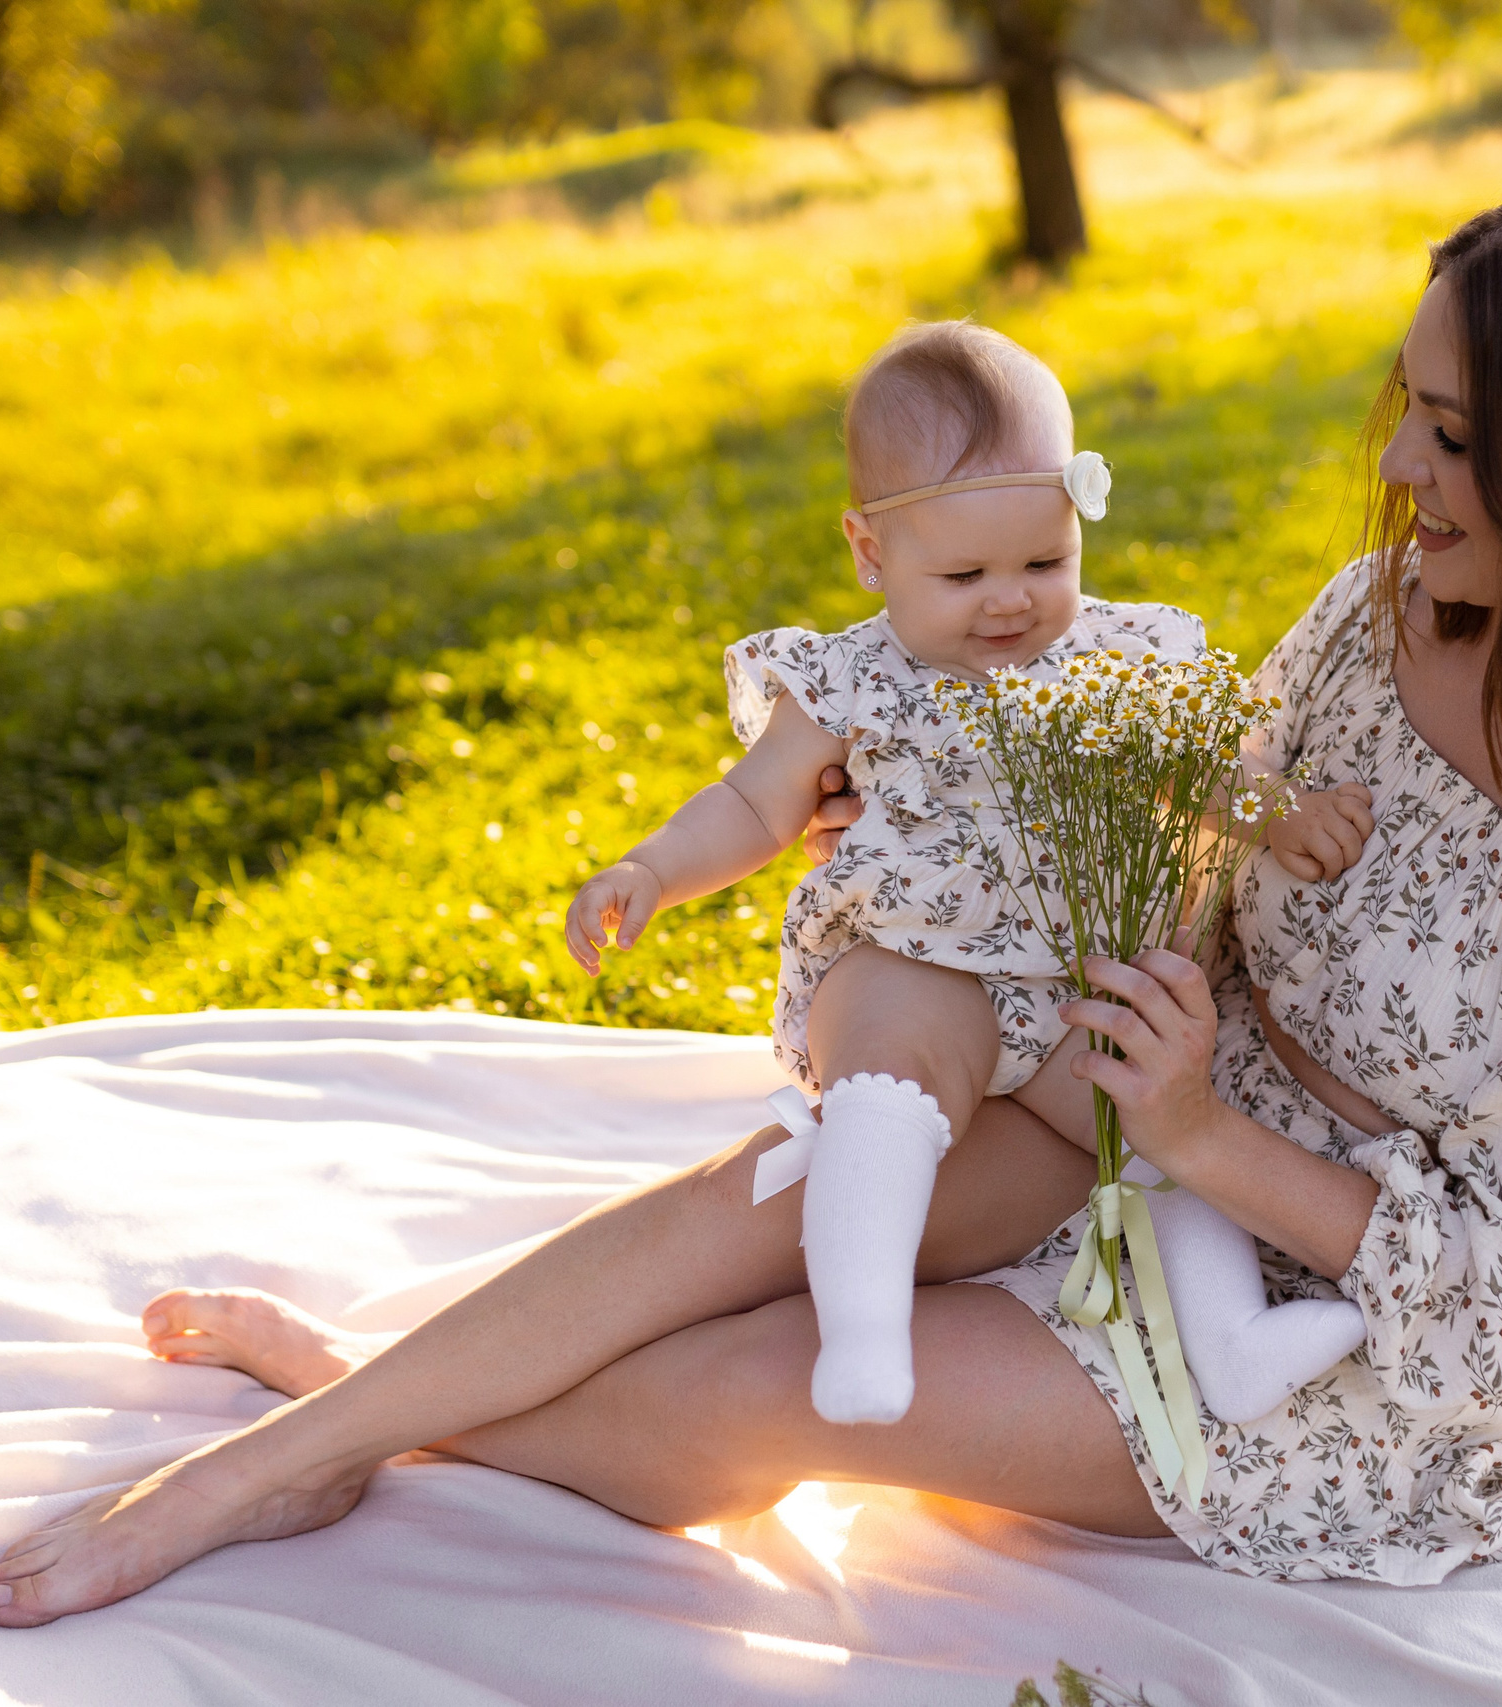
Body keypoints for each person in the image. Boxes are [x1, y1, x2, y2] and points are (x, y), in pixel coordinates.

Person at [0, 170, 1502, 1623]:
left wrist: (1201, 1133)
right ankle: (281, 1454)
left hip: (1349, 1333)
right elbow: (1210, 801)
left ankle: (350, 1404)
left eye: (1458, 437)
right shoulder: (1401, 602)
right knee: (753, 1206)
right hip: (1145, 1089)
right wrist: (951, 799)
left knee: (761, 1392)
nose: (1403, 469)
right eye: (1411, 409)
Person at [561, 318, 1368, 1429]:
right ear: (869, 551)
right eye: (964, 573)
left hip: (1070, 980)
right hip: (915, 960)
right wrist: (651, 869)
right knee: (887, 1082)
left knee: (1156, 1113)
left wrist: (1281, 812)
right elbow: (753, 803)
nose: (1009, 600)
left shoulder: (1117, 658)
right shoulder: (848, 678)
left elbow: (1204, 770)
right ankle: (863, 1330)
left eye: (1044, 563)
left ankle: (1229, 1342)